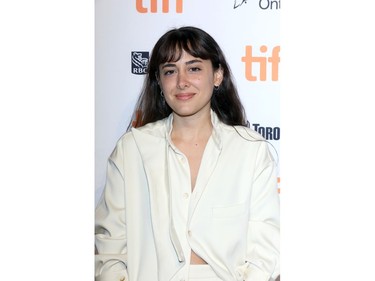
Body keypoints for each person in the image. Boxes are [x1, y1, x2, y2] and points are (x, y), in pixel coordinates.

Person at [95, 26, 280, 281]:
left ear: (217, 75)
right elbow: (110, 246)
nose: (182, 81)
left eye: (194, 68)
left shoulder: (251, 150)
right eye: (170, 71)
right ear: (159, 81)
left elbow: (265, 248)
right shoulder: (132, 149)